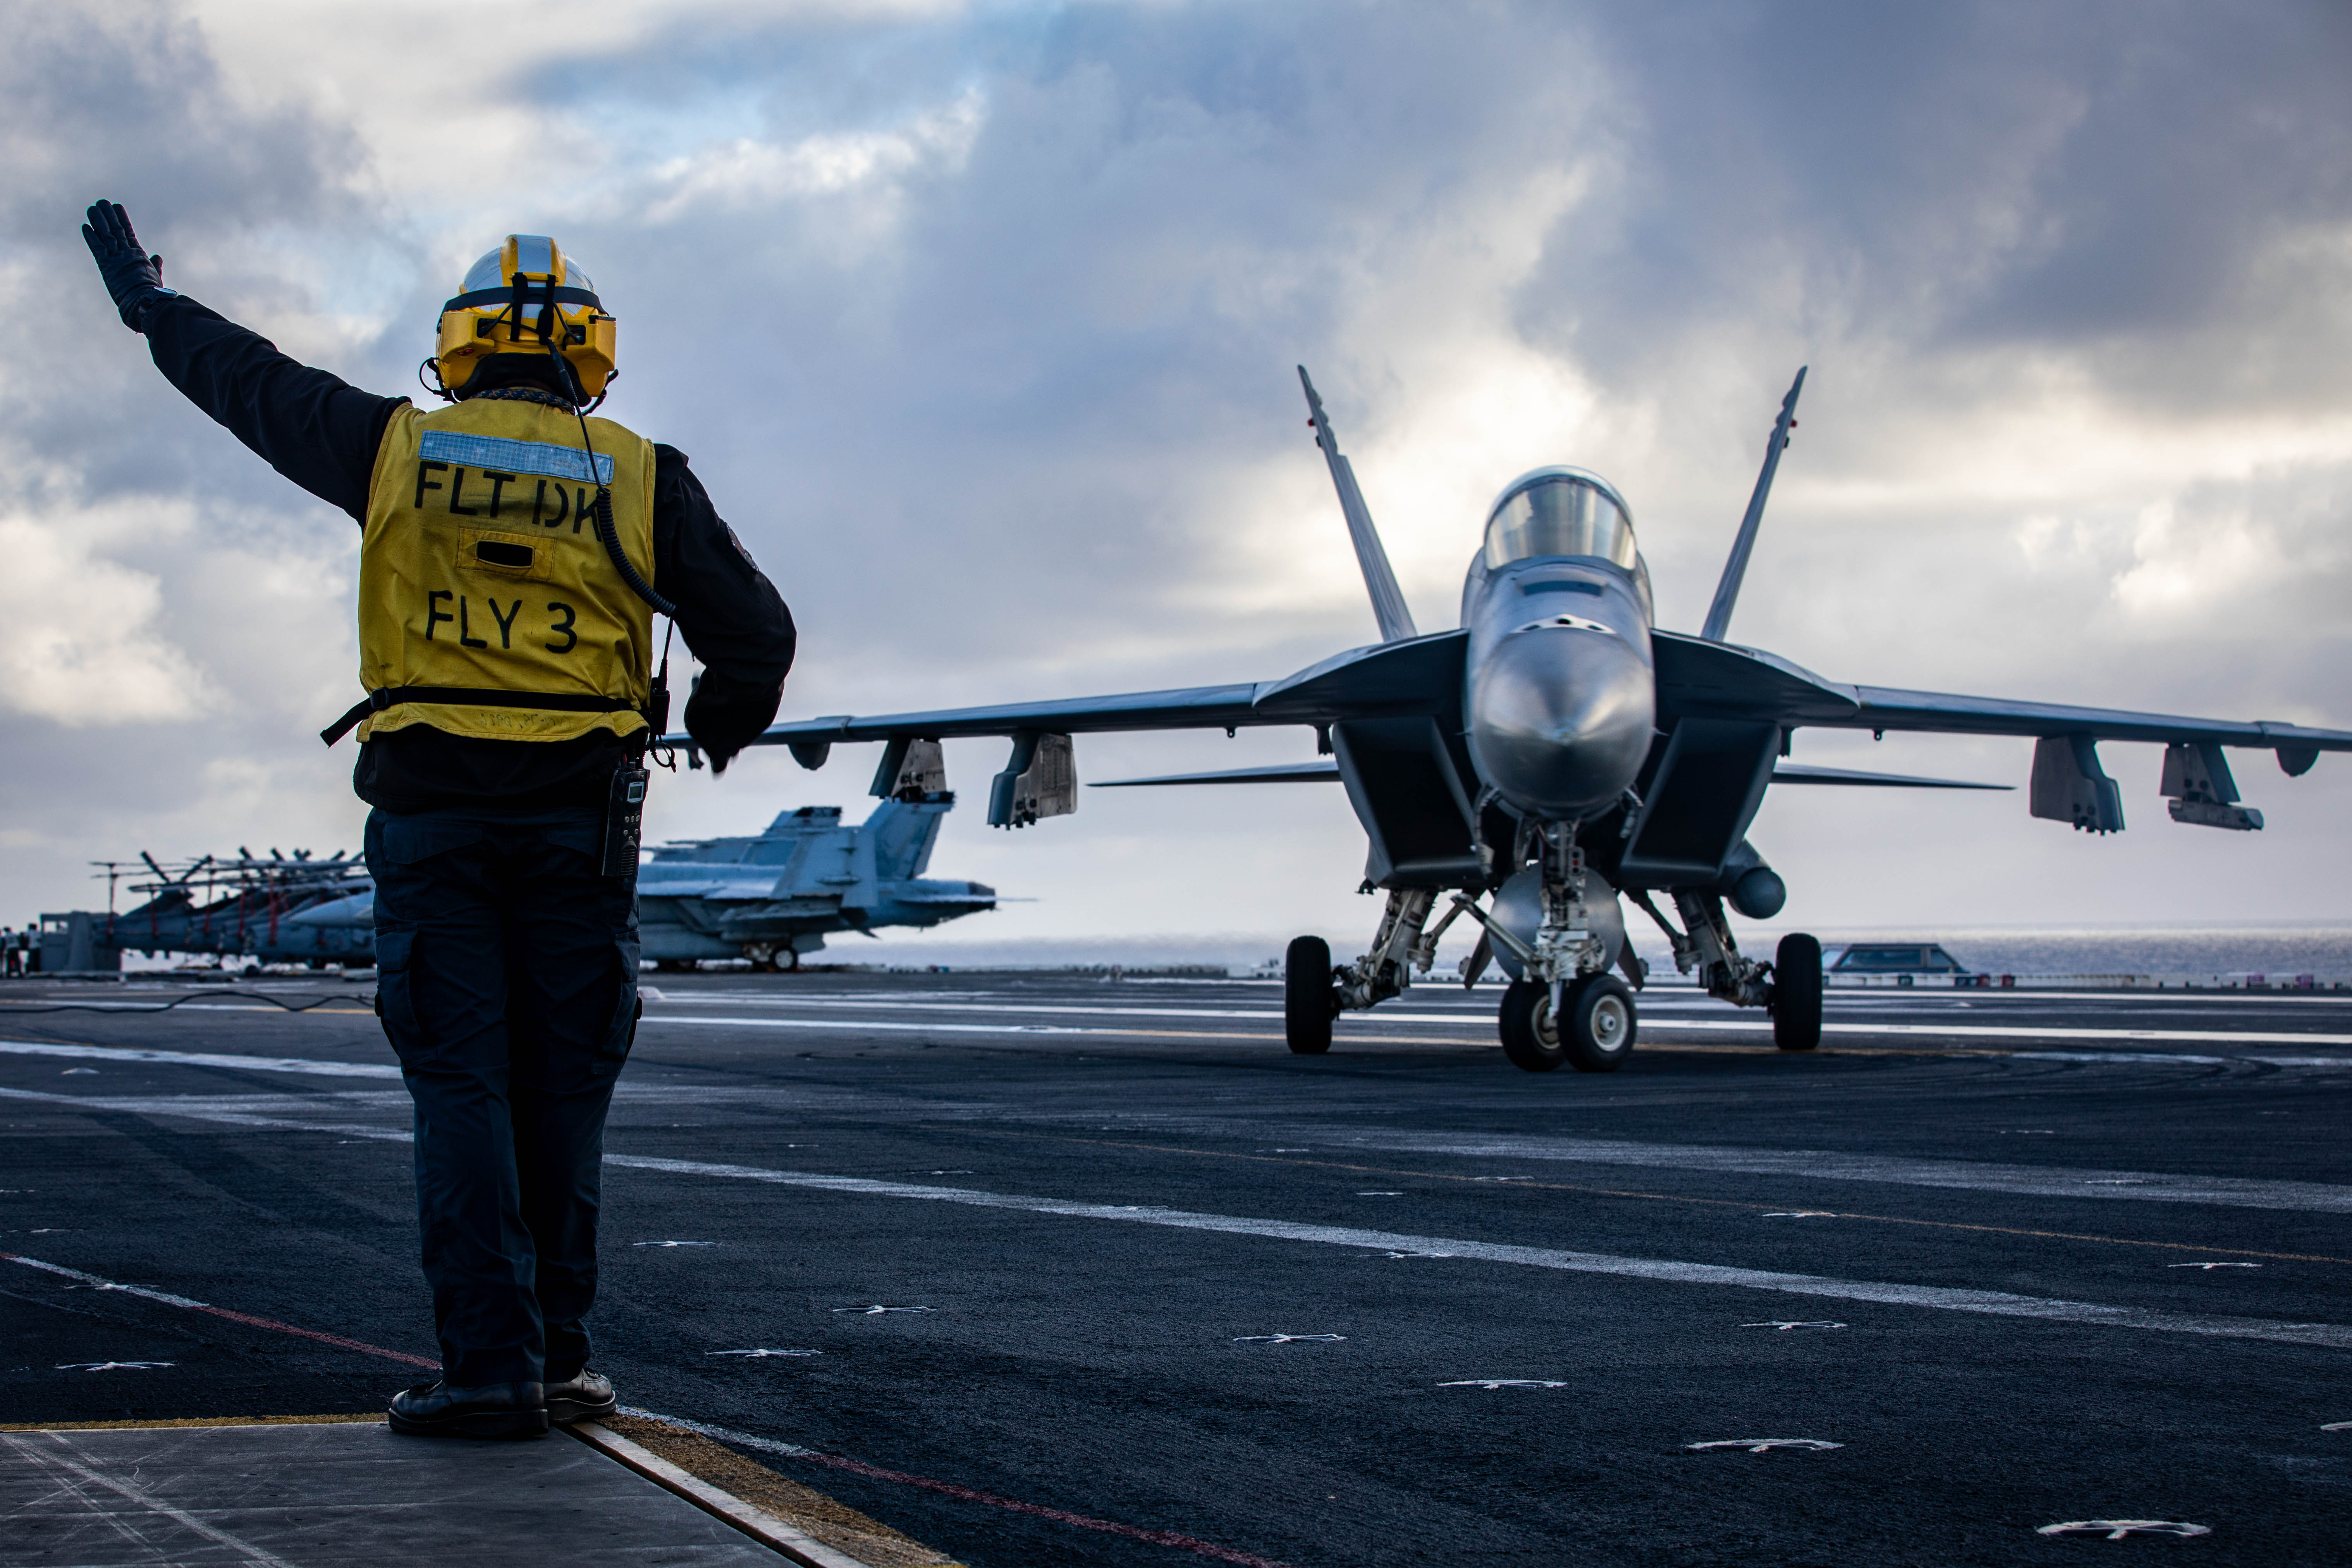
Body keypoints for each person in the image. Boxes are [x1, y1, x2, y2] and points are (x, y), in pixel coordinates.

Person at [83, 201, 798, 1440]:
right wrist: (722, 724)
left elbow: (252, 384)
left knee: (460, 1088)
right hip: (583, 831)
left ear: (459, 345)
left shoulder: (391, 451)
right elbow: (758, 633)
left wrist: (153, 308)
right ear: (587, 349)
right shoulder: (641, 475)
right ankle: (564, 1359)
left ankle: (487, 1369)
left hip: (432, 825)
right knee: (562, 1093)